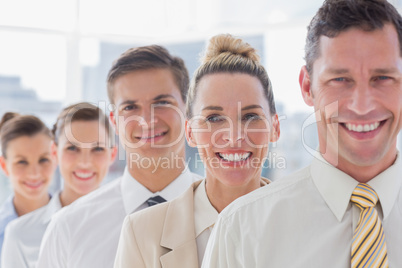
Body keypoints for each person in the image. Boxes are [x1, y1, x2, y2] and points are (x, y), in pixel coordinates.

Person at [202, 0, 402, 267]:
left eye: (383, 78)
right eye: (340, 79)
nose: (362, 105)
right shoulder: (242, 229)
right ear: (307, 87)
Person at [113, 34, 280, 268]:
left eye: (251, 116)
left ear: (275, 128)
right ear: (190, 132)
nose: (233, 136)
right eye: (213, 118)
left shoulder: (306, 223)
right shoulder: (142, 233)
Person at [36, 45, 201, 268]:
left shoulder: (226, 215)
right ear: (114, 121)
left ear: (188, 109)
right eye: (130, 107)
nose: (146, 120)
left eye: (162, 102)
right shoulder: (68, 227)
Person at [1, 102, 117, 268]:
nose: (85, 162)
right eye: (72, 148)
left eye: (97, 149)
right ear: (54, 152)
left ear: (112, 154)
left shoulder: (131, 226)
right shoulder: (20, 235)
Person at [0, 113, 57, 265]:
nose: (34, 173)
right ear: (4, 166)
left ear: (55, 158)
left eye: (43, 159)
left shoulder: (70, 220)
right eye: (22, 162)